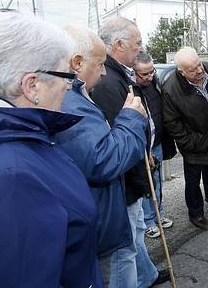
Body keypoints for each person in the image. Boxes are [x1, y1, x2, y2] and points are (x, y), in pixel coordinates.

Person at [0, 12, 101, 287]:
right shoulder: (12, 175)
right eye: (65, 74)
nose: (69, 84)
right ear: (32, 86)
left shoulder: (21, 139)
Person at [54, 26, 149, 267]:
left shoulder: (77, 94)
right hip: (99, 213)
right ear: (77, 63)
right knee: (121, 263)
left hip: (105, 202)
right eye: (99, 64)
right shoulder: (71, 103)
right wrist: (131, 118)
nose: (104, 72)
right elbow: (102, 160)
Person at [91, 17, 170, 287]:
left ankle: (146, 276)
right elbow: (120, 136)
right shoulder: (107, 82)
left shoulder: (120, 74)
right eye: (137, 43)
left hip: (135, 167)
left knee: (135, 234)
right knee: (126, 245)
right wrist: (140, 157)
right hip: (124, 178)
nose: (140, 48)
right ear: (119, 44)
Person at [162, 47, 208, 230]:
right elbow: (172, 122)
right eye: (193, 69)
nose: (199, 70)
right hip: (193, 141)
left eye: (199, 64)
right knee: (192, 180)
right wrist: (189, 143)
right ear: (182, 72)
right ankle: (196, 213)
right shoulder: (171, 89)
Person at [134, 51, 175, 238]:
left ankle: (159, 215)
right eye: (145, 74)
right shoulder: (131, 90)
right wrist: (145, 149)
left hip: (157, 142)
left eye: (151, 72)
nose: (149, 77)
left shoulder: (155, 83)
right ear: (133, 72)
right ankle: (148, 221)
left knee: (157, 183)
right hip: (144, 147)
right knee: (147, 185)